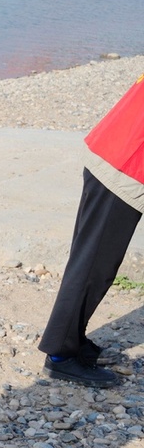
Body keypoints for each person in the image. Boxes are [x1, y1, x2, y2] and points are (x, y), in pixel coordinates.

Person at [38, 72, 144, 388]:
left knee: (90, 262)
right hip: (124, 164)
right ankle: (60, 354)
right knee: (93, 266)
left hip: (115, 148)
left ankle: (71, 339)